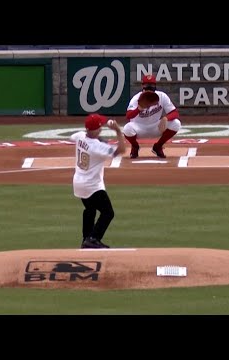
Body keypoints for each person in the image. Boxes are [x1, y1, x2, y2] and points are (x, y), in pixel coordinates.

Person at [70, 114, 126, 249]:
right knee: (108, 213)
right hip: (92, 185)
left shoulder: (80, 136)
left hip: (78, 183)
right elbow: (121, 150)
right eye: (99, 127)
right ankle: (93, 238)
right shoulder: (97, 147)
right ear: (94, 130)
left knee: (90, 209)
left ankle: (86, 238)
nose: (101, 129)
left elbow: (75, 137)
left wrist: (98, 138)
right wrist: (118, 131)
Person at [123, 74, 181, 158]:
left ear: (155, 86)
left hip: (156, 126)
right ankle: (135, 146)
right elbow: (128, 116)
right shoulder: (136, 98)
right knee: (127, 129)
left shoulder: (162, 96)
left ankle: (158, 146)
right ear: (142, 86)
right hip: (139, 128)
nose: (149, 87)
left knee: (176, 123)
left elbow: (175, 113)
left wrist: (165, 118)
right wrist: (138, 109)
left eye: (152, 85)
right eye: (147, 85)